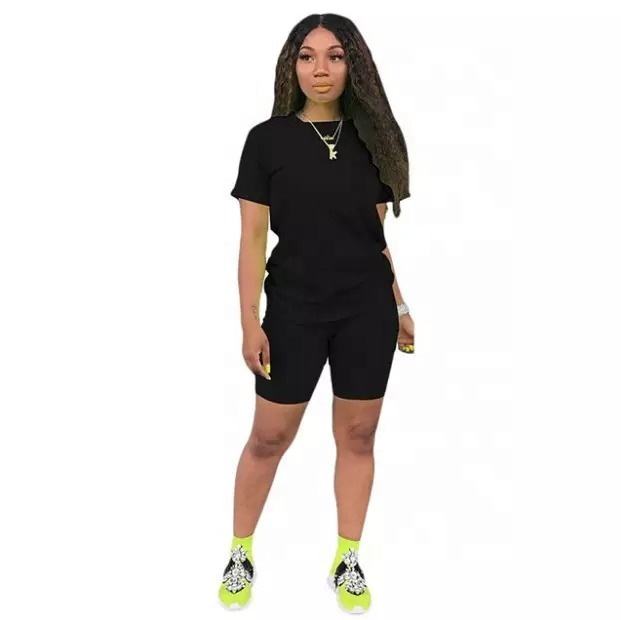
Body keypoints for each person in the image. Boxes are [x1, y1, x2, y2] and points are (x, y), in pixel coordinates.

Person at [218, 13, 415, 614]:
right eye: (307, 56)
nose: (320, 69)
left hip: (366, 311)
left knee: (358, 435)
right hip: (294, 311)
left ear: (354, 64)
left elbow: (374, 237)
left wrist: (400, 302)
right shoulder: (266, 140)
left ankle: (347, 557)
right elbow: (253, 239)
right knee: (268, 437)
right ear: (292, 65)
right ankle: (240, 550)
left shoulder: (376, 139)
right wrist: (250, 321)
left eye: (335, 56)